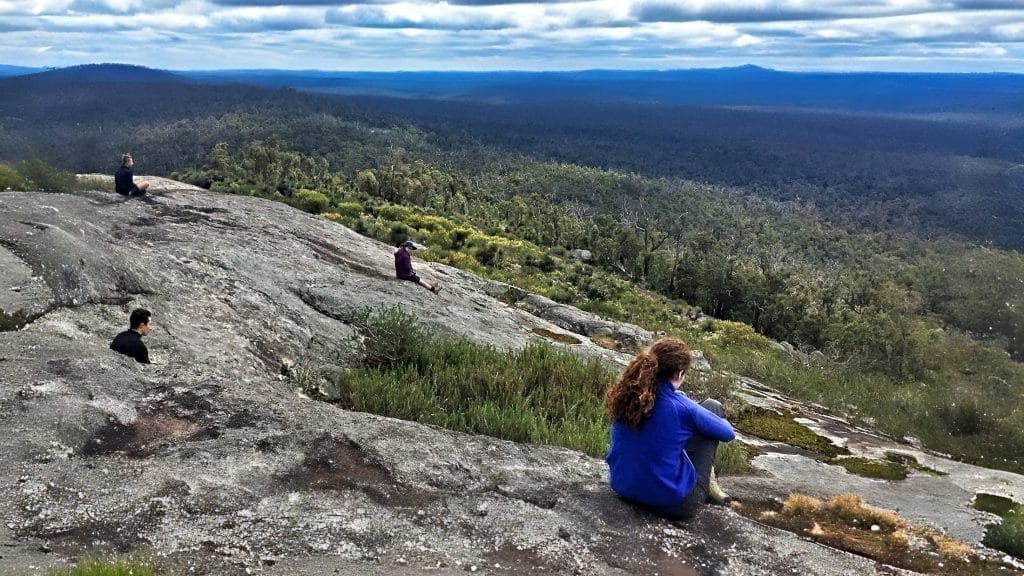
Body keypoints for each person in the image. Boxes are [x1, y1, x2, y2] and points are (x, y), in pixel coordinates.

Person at [605, 337, 734, 520]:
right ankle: (709, 485)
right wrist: (698, 414)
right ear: (680, 372)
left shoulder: (629, 396)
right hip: (673, 504)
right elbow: (728, 433)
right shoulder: (682, 407)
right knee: (712, 407)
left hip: (622, 487)